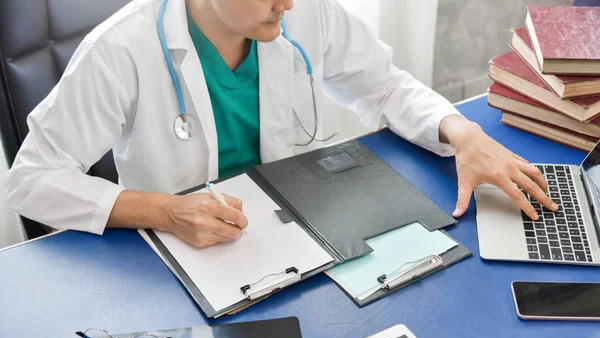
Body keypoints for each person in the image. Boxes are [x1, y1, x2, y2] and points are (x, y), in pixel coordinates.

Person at [4, 0, 557, 248]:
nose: (288, 3)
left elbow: (382, 85)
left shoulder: (297, 12)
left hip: (302, 228)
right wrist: (166, 211)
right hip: (187, 253)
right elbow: (31, 179)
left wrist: (465, 134)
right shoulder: (121, 49)